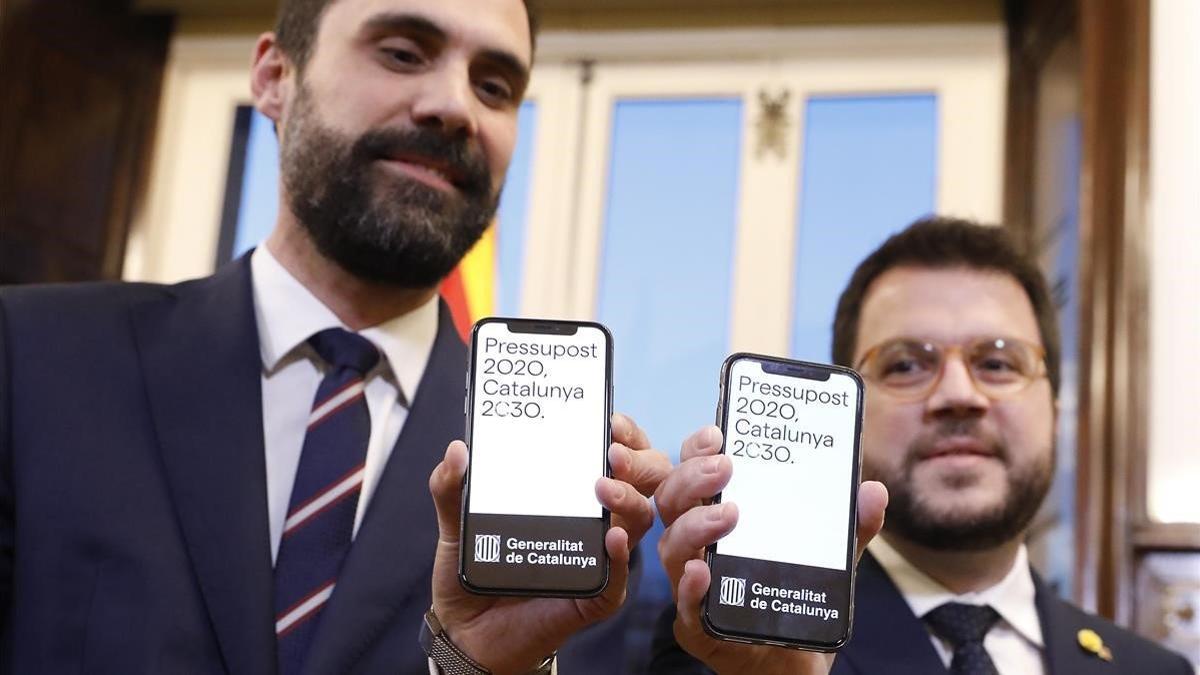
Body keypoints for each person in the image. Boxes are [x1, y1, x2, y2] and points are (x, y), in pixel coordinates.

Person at [0, 0, 672, 673]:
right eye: (404, 53)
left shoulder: (572, 508)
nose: (455, 106)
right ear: (274, 77)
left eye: (494, 86)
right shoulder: (31, 361)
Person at [649, 217, 1194, 674]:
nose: (958, 395)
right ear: (849, 420)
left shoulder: (1152, 670)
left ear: (1053, 411)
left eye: (998, 363)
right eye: (906, 364)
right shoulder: (731, 647)